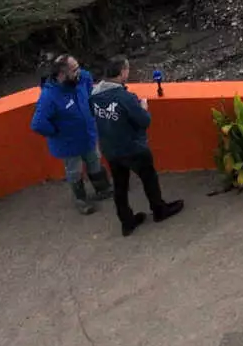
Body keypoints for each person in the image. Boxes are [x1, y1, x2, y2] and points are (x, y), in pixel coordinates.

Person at [90, 57, 185, 238]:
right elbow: (144, 121)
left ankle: (126, 222)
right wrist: (143, 107)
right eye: (127, 70)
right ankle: (159, 210)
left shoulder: (94, 95)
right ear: (121, 73)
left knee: (120, 186)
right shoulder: (125, 98)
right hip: (133, 148)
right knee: (149, 178)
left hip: (110, 149)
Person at [28, 55, 112, 215]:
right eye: (74, 70)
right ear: (61, 73)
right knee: (75, 170)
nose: (79, 72)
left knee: (94, 159)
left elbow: (90, 94)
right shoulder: (49, 97)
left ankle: (103, 188)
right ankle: (81, 199)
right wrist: (57, 133)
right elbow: (38, 123)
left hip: (88, 134)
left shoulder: (82, 78)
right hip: (68, 144)